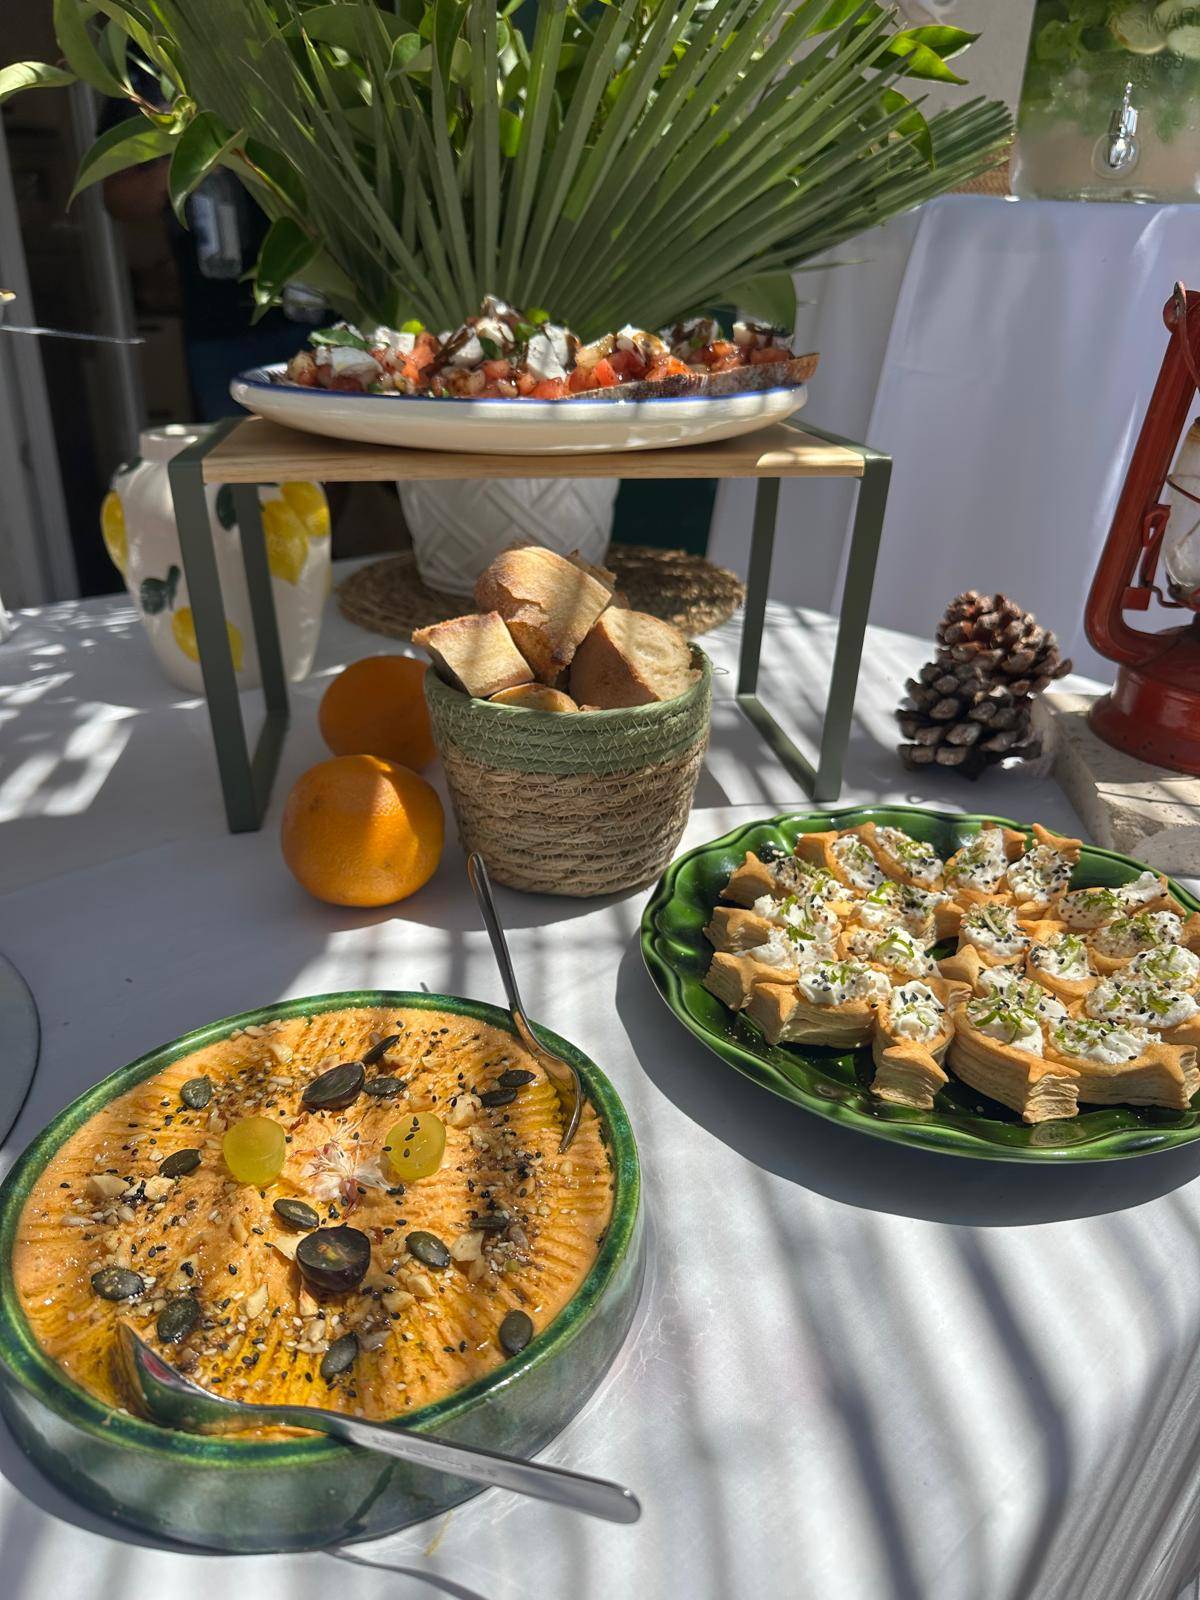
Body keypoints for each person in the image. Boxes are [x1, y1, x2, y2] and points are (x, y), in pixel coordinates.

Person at [99, 71, 321, 420]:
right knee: (237, 459)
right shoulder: (141, 69)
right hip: (218, 319)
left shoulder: (286, 39)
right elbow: (119, 197)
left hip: (315, 303)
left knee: (338, 457)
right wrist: (189, 158)